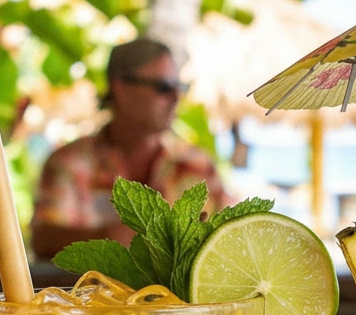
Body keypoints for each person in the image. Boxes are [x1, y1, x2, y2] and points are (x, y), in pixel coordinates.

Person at [31, 38, 232, 257]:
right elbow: (42, 239)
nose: (176, 97)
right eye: (163, 87)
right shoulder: (70, 163)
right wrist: (106, 238)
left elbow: (232, 238)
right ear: (121, 88)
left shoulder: (197, 167)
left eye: (180, 87)